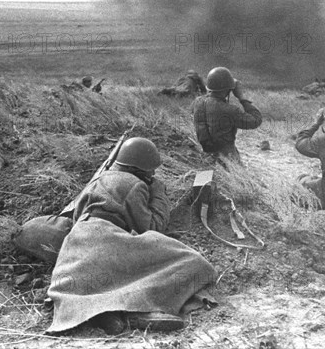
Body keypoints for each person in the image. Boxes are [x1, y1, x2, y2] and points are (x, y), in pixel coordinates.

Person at [46, 137, 217, 335]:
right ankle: (139, 308)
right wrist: (158, 194)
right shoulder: (135, 185)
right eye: (151, 170)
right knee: (194, 263)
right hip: (109, 238)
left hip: (76, 246)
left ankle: (106, 312)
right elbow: (153, 226)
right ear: (139, 169)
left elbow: (77, 216)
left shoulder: (97, 181)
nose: (153, 174)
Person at [191, 67, 262, 162]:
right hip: (227, 158)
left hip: (206, 155)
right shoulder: (229, 110)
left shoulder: (197, 102)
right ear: (228, 89)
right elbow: (255, 120)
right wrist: (242, 98)